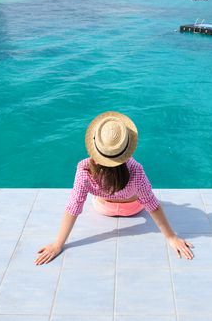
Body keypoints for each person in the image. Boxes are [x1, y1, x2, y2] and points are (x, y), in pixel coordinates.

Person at [35, 111, 194, 265]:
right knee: (145, 194)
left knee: (93, 193)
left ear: (96, 148)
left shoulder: (84, 170)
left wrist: (58, 244)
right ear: (126, 149)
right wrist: (171, 237)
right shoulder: (136, 171)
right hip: (133, 209)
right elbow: (153, 206)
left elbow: (74, 207)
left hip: (103, 209)